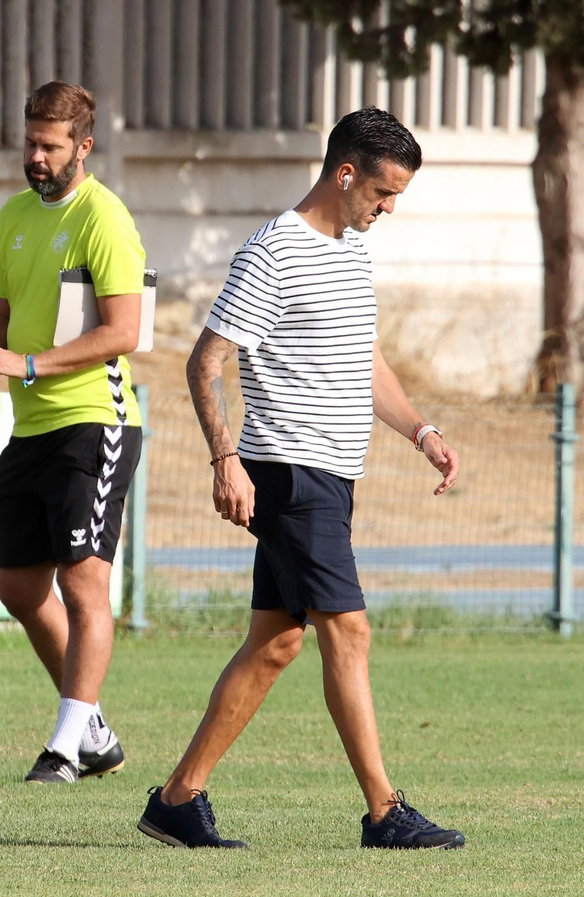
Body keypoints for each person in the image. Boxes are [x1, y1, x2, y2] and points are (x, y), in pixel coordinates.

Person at [134, 108, 465, 851]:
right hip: (288, 470)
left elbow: (363, 359)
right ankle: (384, 811)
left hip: (333, 477)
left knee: (276, 644)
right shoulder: (273, 252)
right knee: (348, 631)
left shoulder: (350, 250)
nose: (388, 210)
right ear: (345, 173)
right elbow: (204, 361)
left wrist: (421, 430)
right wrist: (226, 459)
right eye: (383, 194)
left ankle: (178, 800)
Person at [0, 81, 146, 784]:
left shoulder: (105, 217)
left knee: (83, 584)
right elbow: (3, 324)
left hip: (94, 421)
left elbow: (124, 332)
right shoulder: (13, 216)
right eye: (30, 142)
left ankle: (66, 747)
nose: (35, 157)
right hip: (31, 426)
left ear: (83, 147)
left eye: (50, 145)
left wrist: (28, 364)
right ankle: (91, 725)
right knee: (18, 585)